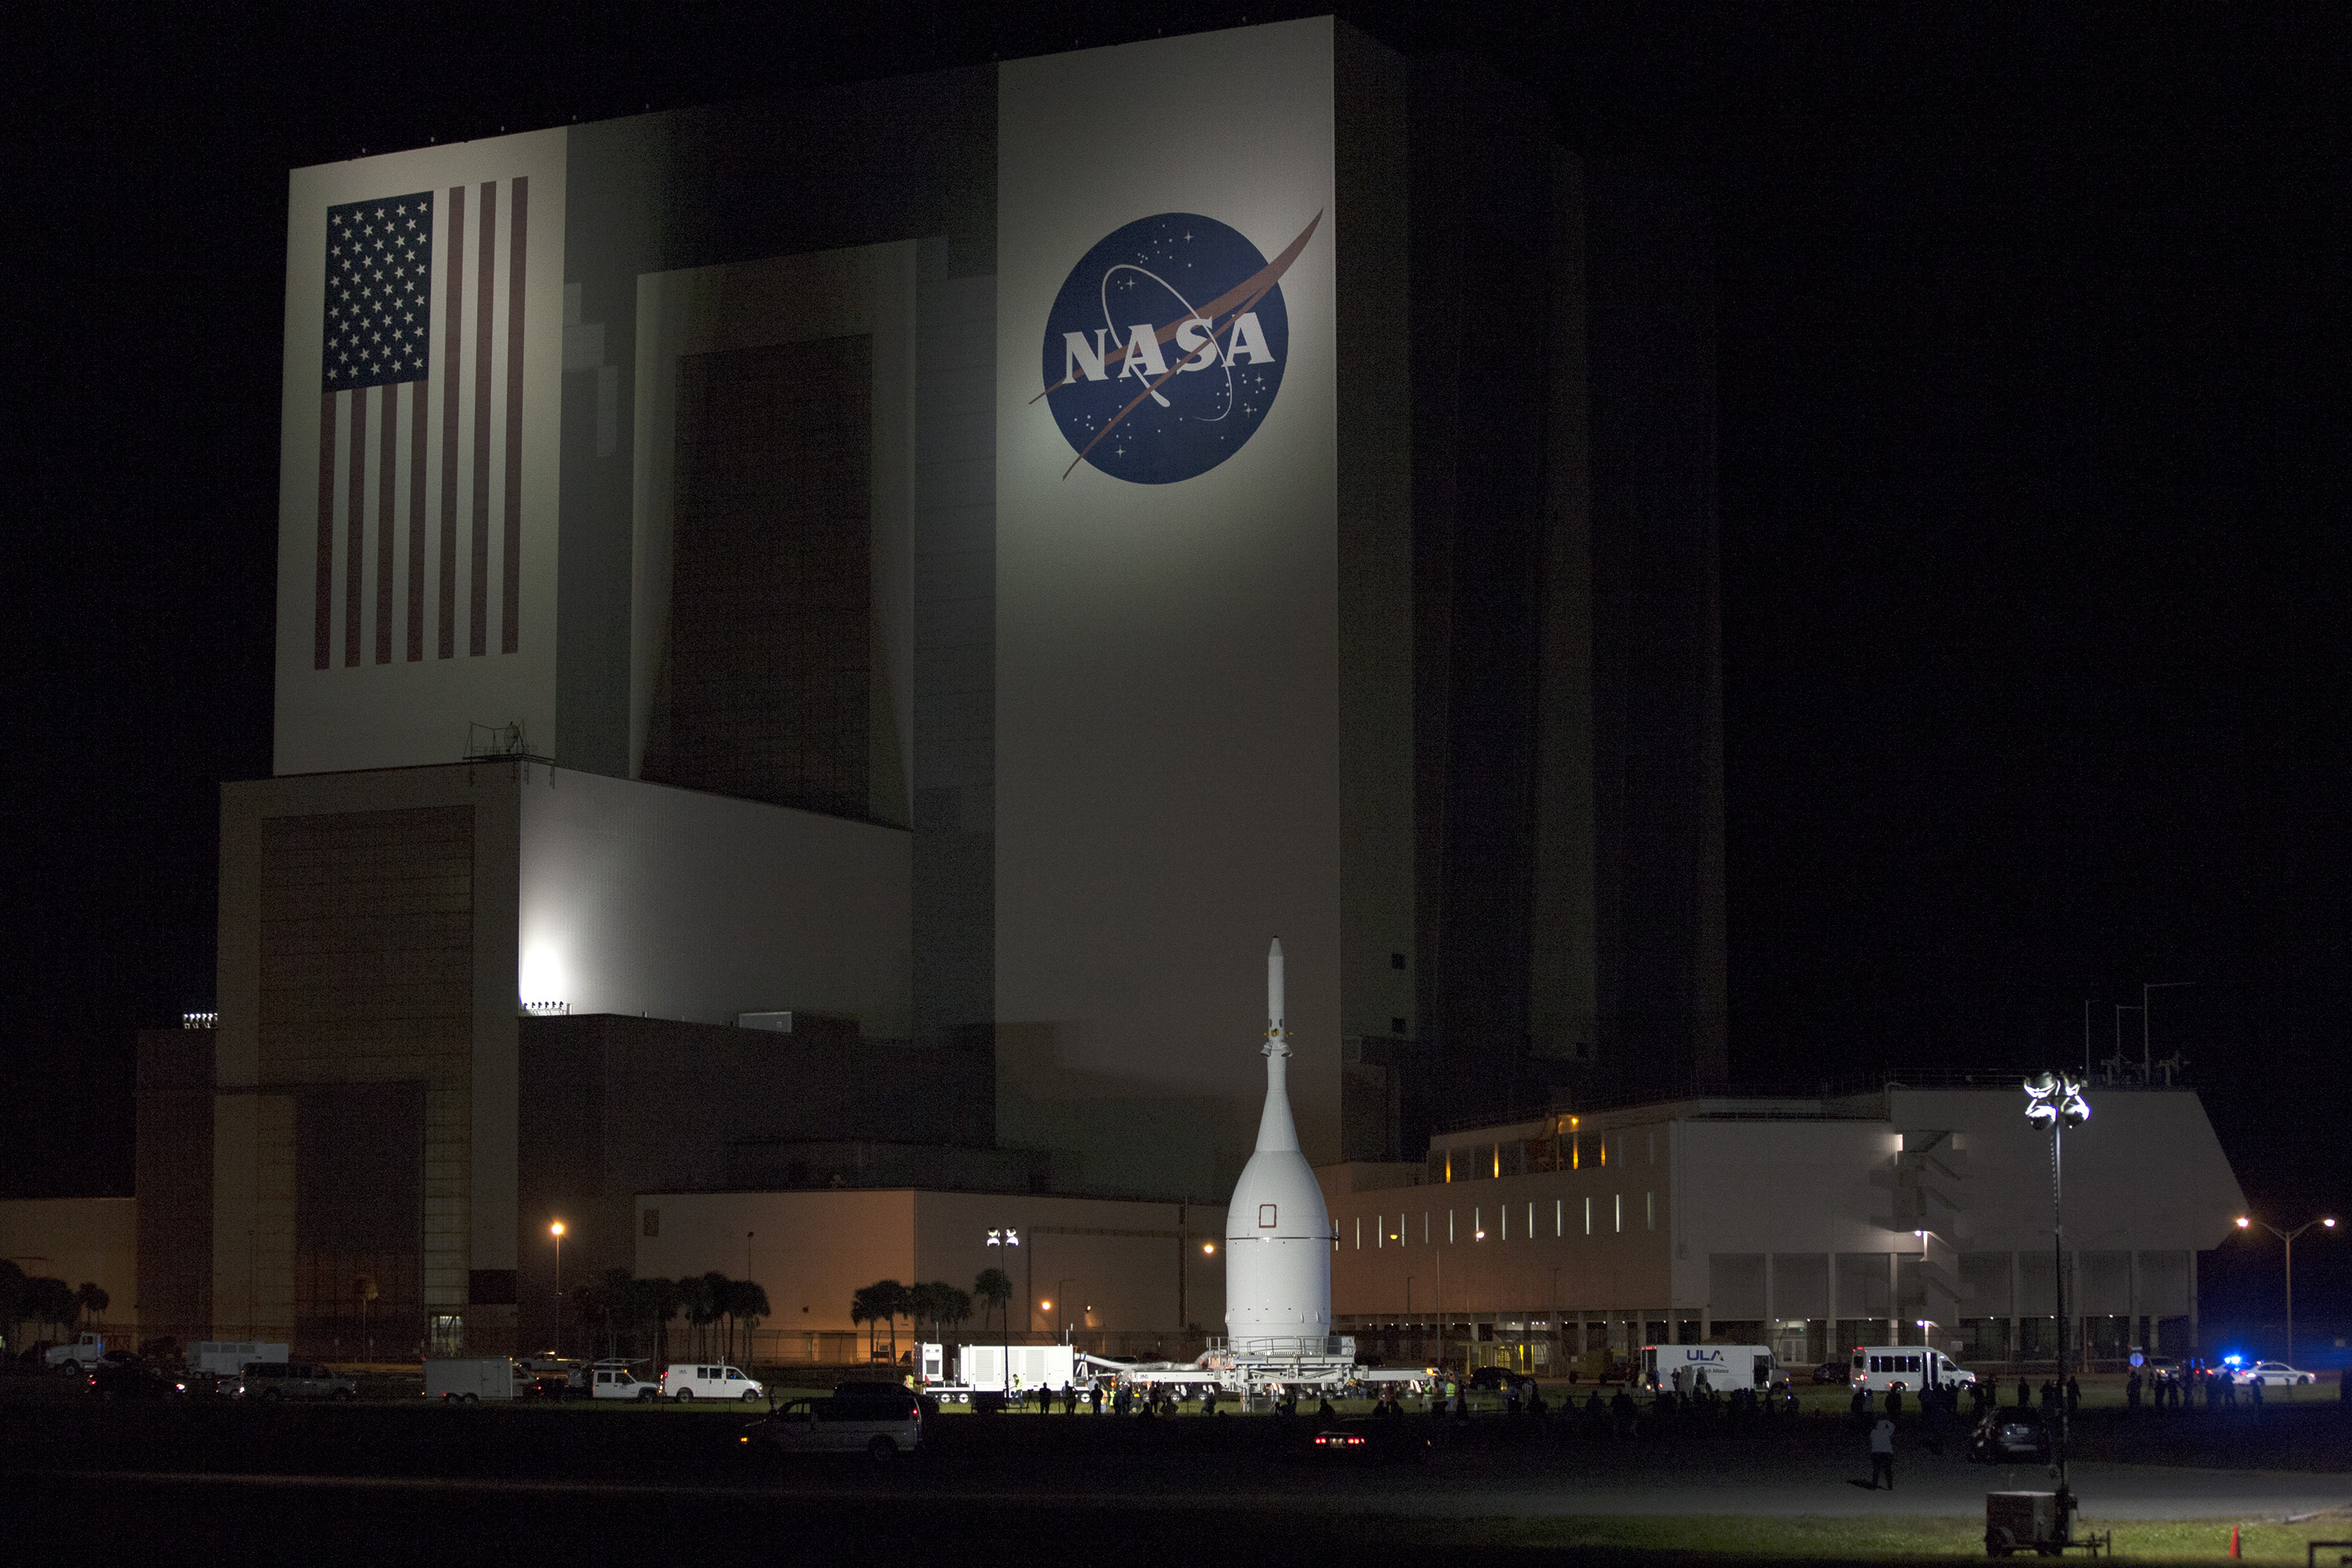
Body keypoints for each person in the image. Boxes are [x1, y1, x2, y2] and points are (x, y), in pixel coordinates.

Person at [1868, 1416, 1896, 1490]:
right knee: (1887, 1470)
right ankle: (1890, 1486)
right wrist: (1887, 1421)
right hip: (1887, 1453)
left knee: (1876, 1470)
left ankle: (1874, 1486)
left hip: (1876, 1453)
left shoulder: (1873, 1432)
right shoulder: (1887, 1432)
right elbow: (1892, 1427)